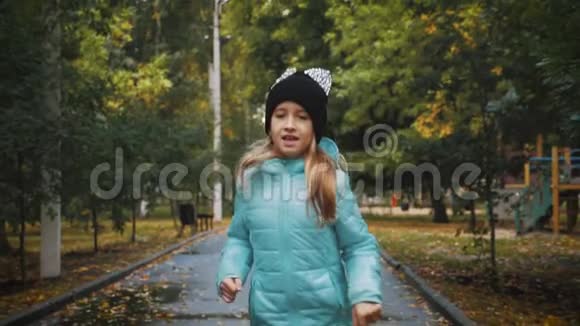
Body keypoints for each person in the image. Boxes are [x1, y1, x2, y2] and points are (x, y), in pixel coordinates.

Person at [216, 68, 383, 325]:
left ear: (315, 126)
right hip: (267, 316)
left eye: (302, 117)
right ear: (269, 124)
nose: (290, 125)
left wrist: (365, 293)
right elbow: (240, 238)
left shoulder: (330, 180)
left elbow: (358, 246)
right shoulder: (251, 179)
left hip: (326, 318)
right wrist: (230, 270)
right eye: (280, 115)